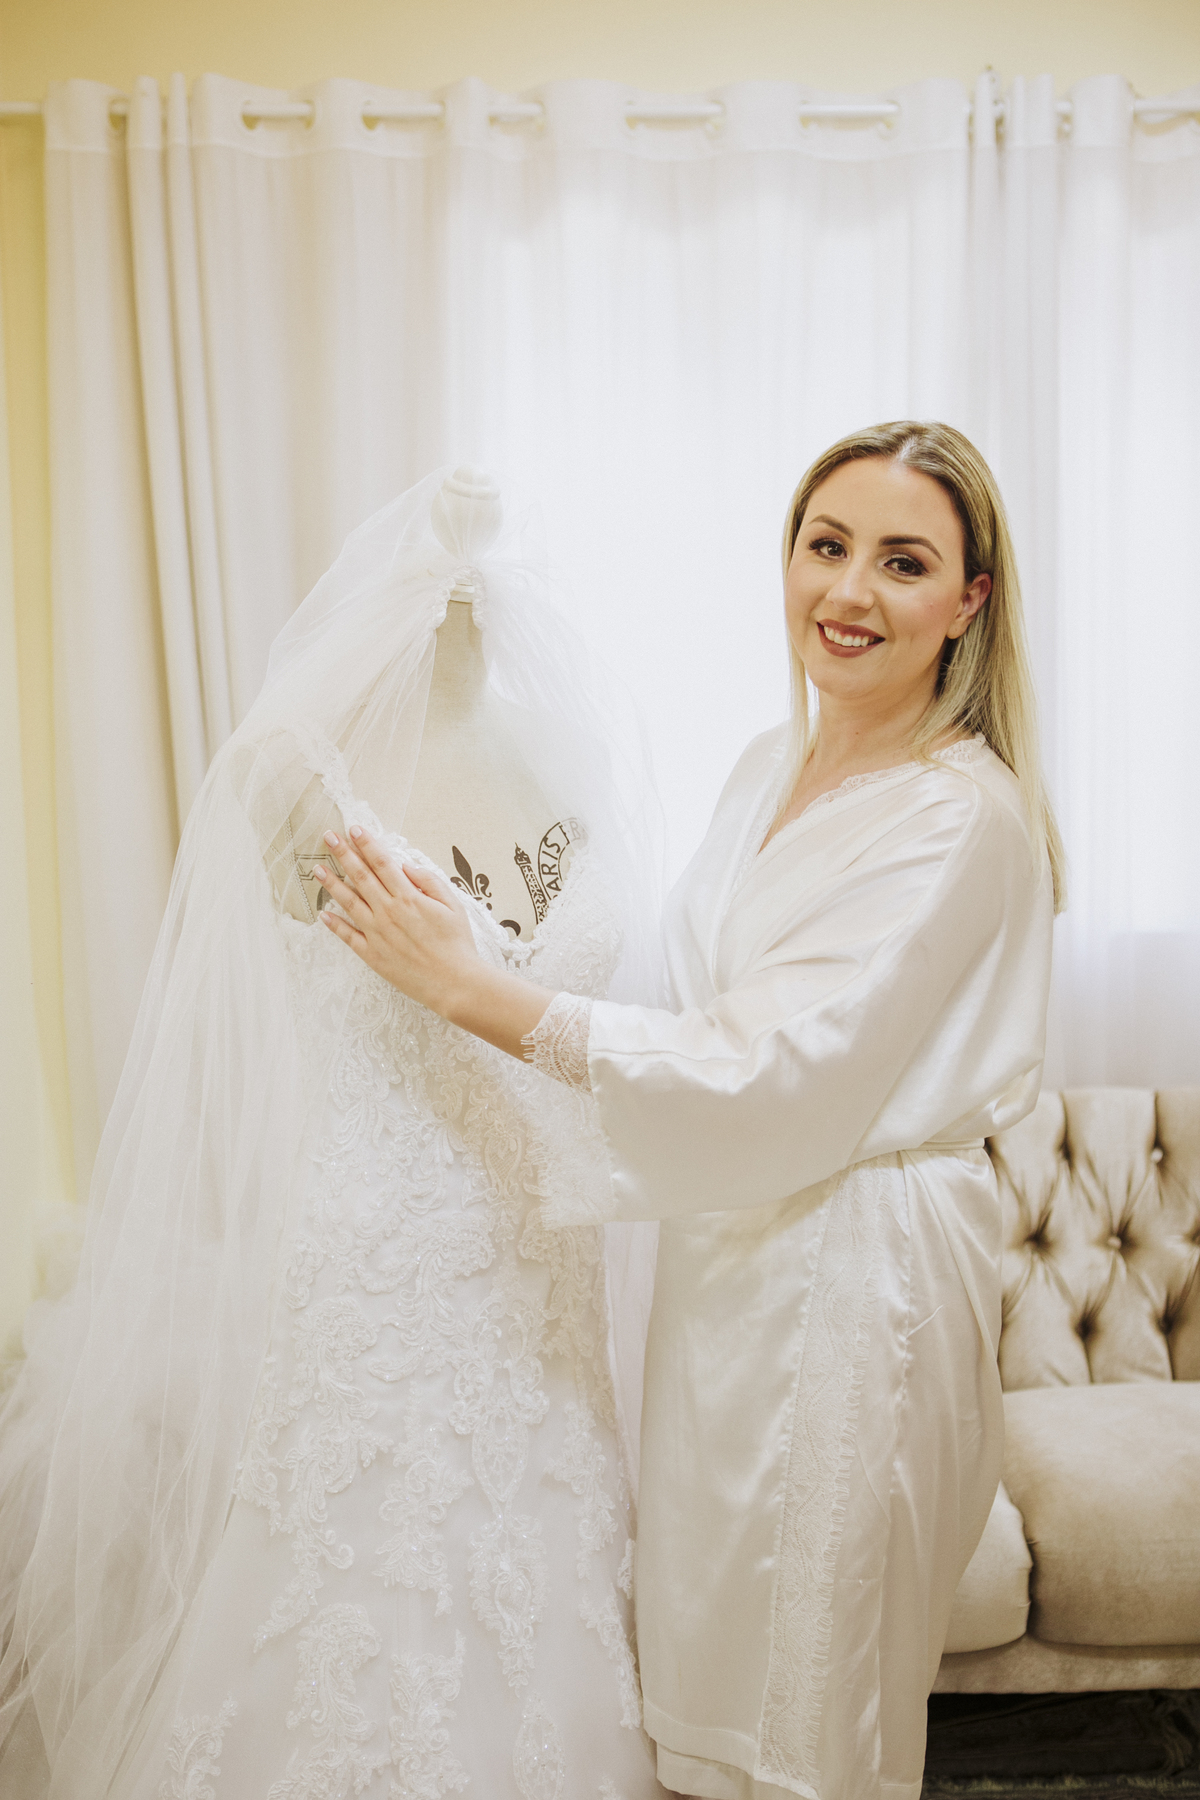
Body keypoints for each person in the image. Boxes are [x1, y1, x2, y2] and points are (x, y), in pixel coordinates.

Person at [311, 422, 1061, 1800]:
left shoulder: (960, 819)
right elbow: (681, 1002)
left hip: (859, 1279)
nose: (850, 591)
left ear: (970, 601)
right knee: (707, 1695)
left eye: (903, 563)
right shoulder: (768, 767)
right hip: (732, 1264)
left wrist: (474, 989)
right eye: (827, 545)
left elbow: (775, 1070)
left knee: (807, 1718)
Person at [0, 471, 667, 1799]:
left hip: (548, 1267)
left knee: (547, 1586)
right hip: (379, 1265)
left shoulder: (573, 763)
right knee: (357, 1590)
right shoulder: (292, 771)